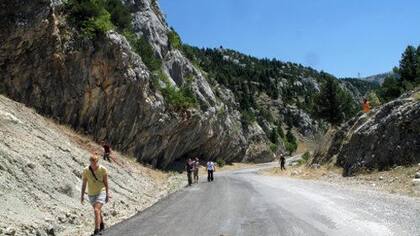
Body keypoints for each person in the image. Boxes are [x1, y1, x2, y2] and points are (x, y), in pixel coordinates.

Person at [81, 154, 111, 235]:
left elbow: (106, 183)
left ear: (97, 162)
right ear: (90, 162)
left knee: (96, 210)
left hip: (101, 192)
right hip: (91, 194)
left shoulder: (103, 169)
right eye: (91, 163)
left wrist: (107, 194)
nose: (93, 165)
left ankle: (96, 230)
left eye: (95, 163)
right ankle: (101, 225)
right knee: (98, 211)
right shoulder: (86, 170)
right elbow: (84, 184)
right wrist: (82, 195)